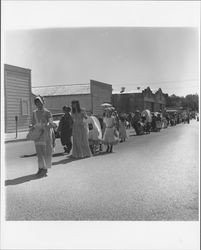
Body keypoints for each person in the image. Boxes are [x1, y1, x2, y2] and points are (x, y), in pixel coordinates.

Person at [30, 96, 55, 176]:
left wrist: (46, 125)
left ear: (43, 103)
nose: (38, 104)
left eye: (40, 102)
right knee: (39, 152)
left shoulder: (48, 112)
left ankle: (45, 169)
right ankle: (40, 168)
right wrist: (31, 126)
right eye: (37, 103)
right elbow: (32, 122)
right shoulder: (34, 113)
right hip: (37, 135)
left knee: (45, 152)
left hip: (45, 134)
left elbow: (51, 123)